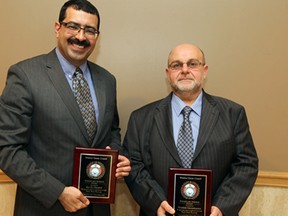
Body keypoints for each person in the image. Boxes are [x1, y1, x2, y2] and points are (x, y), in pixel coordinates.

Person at [0, 0, 130, 216]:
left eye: (89, 30)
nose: (80, 36)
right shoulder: (25, 75)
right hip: (45, 208)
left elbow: (111, 131)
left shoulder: (107, 80)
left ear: (97, 36)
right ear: (57, 28)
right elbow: (7, 149)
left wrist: (116, 157)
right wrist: (57, 192)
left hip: (97, 208)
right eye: (73, 26)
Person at [123, 43, 258, 216]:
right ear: (168, 74)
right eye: (177, 65)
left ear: (205, 71)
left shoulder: (233, 114)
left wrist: (222, 206)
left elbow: (246, 165)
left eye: (193, 64)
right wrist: (156, 202)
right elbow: (133, 165)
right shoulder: (140, 118)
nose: (185, 70)